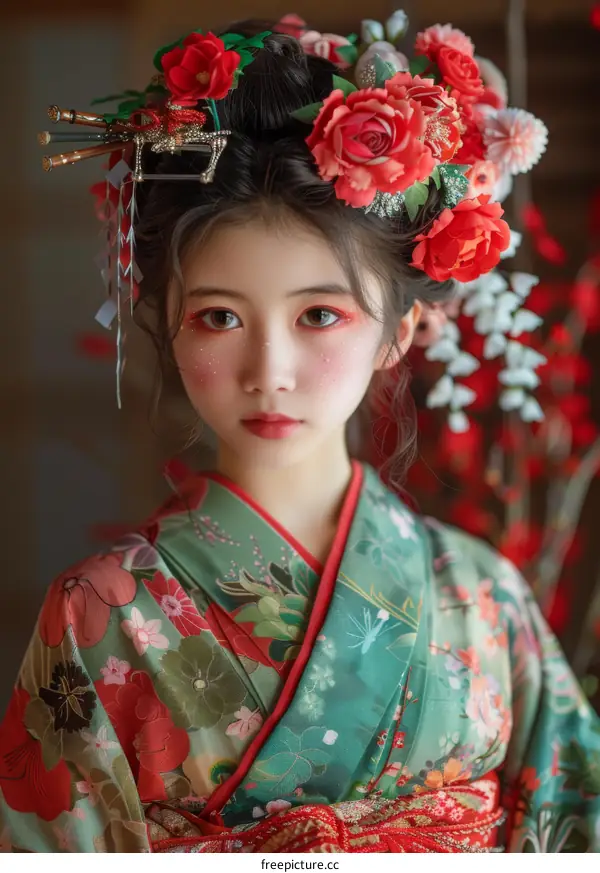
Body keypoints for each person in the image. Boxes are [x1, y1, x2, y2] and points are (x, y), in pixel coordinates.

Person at [1, 13, 598, 854]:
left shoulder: (483, 593)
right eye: (219, 316)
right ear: (165, 323)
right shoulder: (100, 611)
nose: (268, 370)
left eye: (319, 314)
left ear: (398, 332)